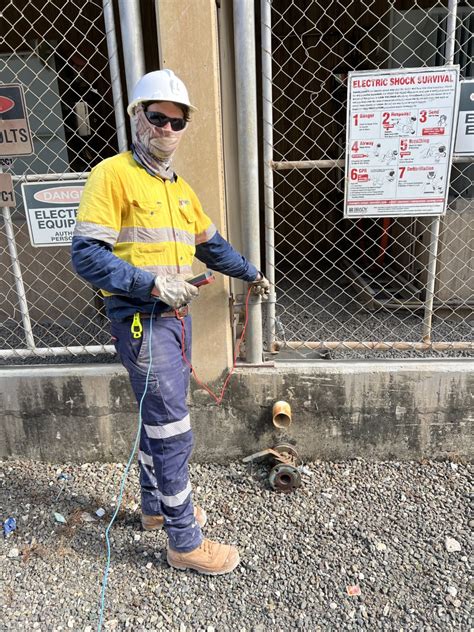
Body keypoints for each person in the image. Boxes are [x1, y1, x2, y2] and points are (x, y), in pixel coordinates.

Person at [71, 69, 270, 575]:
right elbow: (86, 255)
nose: (165, 129)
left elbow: (211, 245)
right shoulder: (112, 174)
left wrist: (251, 273)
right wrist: (151, 284)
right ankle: (185, 541)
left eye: (175, 122)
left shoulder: (181, 190)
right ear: (137, 117)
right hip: (141, 320)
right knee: (172, 429)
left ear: (184, 127)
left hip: (173, 321)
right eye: (155, 117)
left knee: (156, 424)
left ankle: (156, 510)